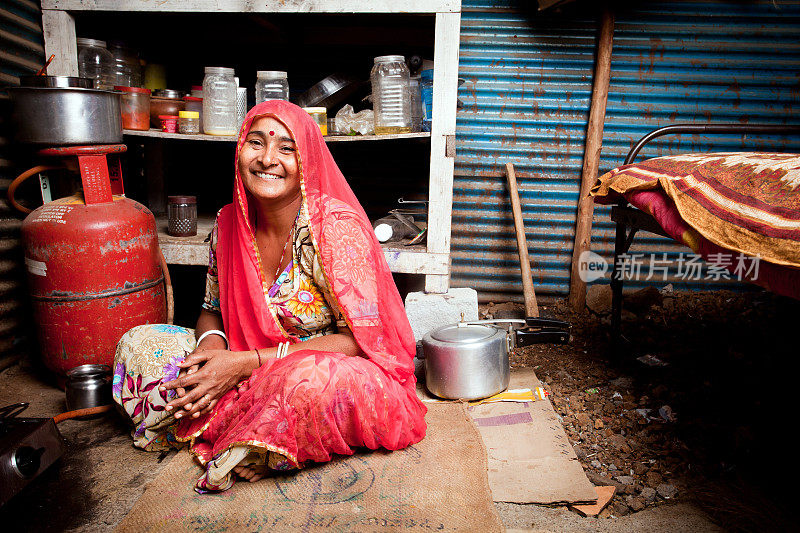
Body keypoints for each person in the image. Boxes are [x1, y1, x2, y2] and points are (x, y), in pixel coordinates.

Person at [112, 100, 427, 493]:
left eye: (286, 148)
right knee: (140, 344)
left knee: (307, 381)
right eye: (256, 143)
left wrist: (245, 363)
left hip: (322, 370)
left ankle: (257, 433)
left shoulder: (335, 229)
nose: (267, 159)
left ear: (307, 159)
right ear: (240, 150)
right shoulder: (228, 224)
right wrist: (209, 357)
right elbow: (210, 311)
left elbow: (359, 342)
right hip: (242, 363)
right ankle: (254, 434)